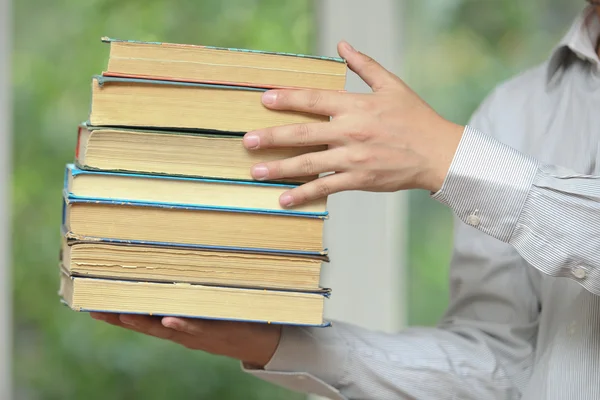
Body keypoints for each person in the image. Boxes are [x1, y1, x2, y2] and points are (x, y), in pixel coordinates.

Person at [91, 2, 600, 399]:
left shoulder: (476, 144)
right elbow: (503, 371)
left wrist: (452, 158)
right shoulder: (519, 108)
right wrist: (277, 344)